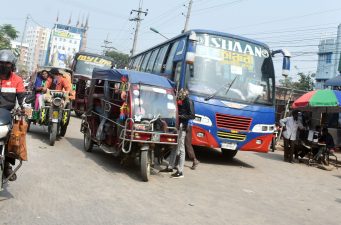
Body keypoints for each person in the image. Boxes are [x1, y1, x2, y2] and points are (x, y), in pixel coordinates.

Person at [0, 49, 25, 181]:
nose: (4, 65)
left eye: (7, 63)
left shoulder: (17, 80)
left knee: (13, 139)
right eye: (1, 62)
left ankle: (7, 163)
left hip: (7, 115)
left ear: (12, 65)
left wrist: (24, 108)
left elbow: (22, 98)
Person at [160, 88, 195, 178]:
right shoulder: (181, 100)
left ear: (185, 93)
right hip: (177, 126)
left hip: (182, 127)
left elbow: (192, 115)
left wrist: (180, 116)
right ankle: (170, 166)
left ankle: (180, 171)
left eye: (181, 93)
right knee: (175, 147)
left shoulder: (188, 101)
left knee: (181, 149)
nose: (180, 94)